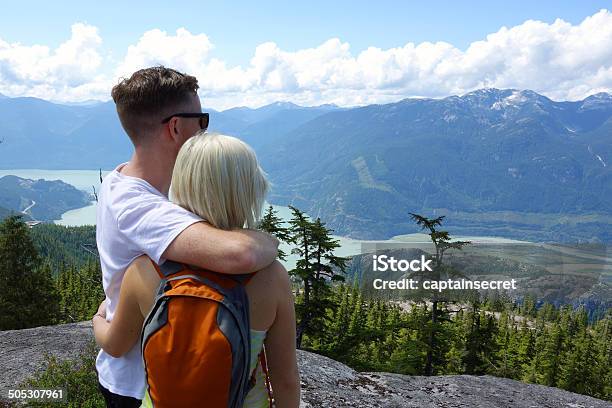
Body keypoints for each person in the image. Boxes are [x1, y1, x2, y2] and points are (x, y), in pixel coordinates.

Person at [93, 66, 279, 407]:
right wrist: (271, 241)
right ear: (176, 127)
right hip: (144, 387)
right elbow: (242, 255)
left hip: (163, 372)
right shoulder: (139, 206)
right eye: (202, 120)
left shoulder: (124, 180)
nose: (205, 131)